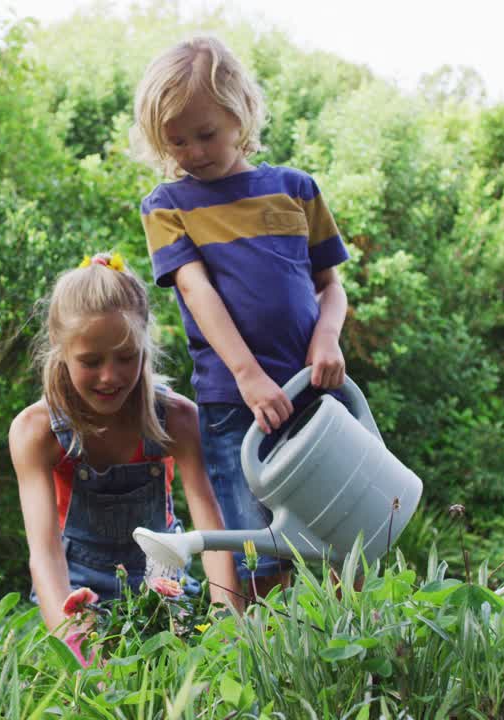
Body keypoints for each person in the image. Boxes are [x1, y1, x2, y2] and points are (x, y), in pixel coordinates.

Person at [131, 36, 350, 598]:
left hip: (312, 391)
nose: (194, 152)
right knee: (258, 543)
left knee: (334, 528)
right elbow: (196, 290)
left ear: (242, 112)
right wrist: (249, 377)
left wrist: (328, 337)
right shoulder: (167, 205)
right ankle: (265, 659)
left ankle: (342, 653)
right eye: (176, 141)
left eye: (206, 134)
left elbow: (331, 287)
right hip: (234, 402)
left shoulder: (295, 191)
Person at [8, 251, 241, 643]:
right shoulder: (36, 432)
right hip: (77, 584)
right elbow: (45, 556)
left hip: (162, 580)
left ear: (144, 340)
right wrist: (70, 629)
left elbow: (211, 534)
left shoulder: (179, 419)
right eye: (91, 361)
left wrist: (226, 618)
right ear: (60, 347)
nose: (109, 376)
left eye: (126, 357)